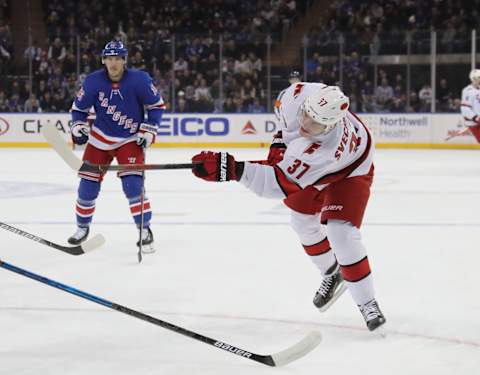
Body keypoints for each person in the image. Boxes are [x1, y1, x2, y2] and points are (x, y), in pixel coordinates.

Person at [190, 83, 386, 331]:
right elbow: (285, 121)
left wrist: (229, 169)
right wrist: (279, 147)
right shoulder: (300, 96)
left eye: (314, 123)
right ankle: (332, 272)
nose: (304, 123)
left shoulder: (323, 151)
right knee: (302, 222)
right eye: (305, 113)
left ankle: (368, 303)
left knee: (341, 233)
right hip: (318, 160)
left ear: (329, 126)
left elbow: (274, 183)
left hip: (351, 170)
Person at [68, 40, 165, 253]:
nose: (113, 63)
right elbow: (78, 110)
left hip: (130, 139)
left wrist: (148, 130)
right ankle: (82, 228)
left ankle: (145, 230)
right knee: (87, 186)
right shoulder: (93, 82)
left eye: (118, 59)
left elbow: (157, 106)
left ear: (124, 60)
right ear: (104, 60)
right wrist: (78, 127)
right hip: (100, 138)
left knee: (132, 185)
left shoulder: (139, 80)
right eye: (110, 59)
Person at [460, 69, 480, 142]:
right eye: (479, 78)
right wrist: (476, 118)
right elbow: (465, 109)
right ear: (474, 78)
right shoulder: (468, 91)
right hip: (474, 123)